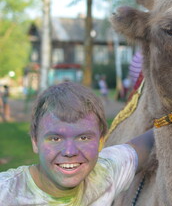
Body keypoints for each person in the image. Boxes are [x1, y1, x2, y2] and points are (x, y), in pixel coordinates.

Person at [0, 81, 154, 205]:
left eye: (83, 138)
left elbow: (147, 143)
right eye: (56, 139)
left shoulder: (106, 173)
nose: (69, 151)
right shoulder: (6, 193)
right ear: (35, 141)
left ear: (101, 142)